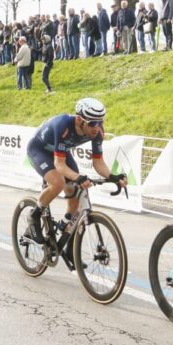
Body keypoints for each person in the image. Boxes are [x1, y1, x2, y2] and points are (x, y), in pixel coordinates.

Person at [24, 98, 126, 245]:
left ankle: (66, 232)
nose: (97, 127)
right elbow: (59, 165)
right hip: (39, 150)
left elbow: (98, 163)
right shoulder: (63, 126)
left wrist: (113, 176)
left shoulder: (97, 132)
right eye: (92, 123)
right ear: (79, 120)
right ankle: (35, 214)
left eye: (100, 122)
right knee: (58, 183)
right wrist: (77, 177)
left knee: (76, 193)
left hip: (60, 151)